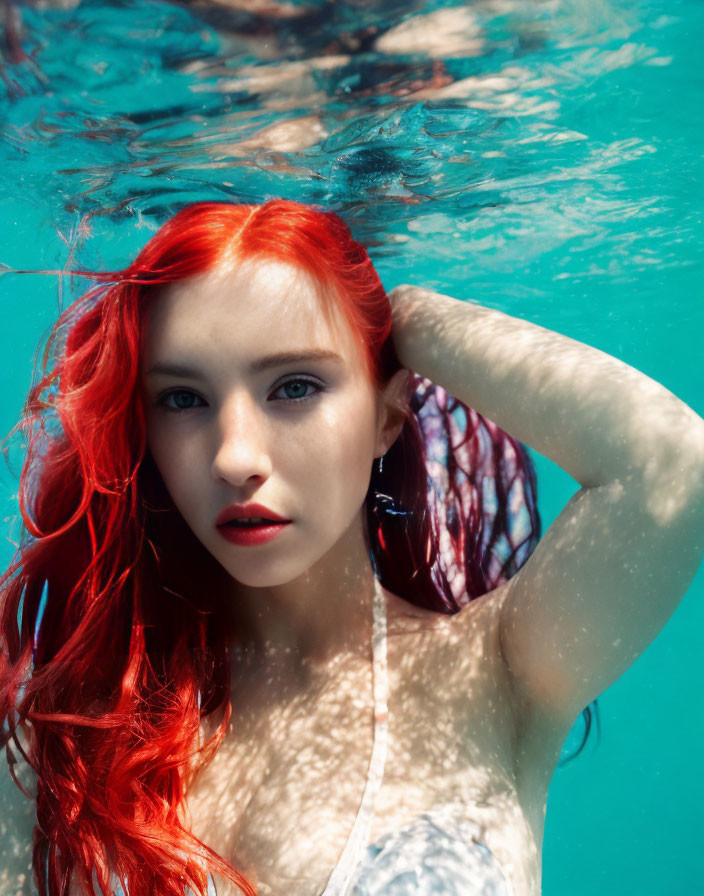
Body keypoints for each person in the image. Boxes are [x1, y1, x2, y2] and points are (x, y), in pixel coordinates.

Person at [1, 199, 703, 896]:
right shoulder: (65, 734)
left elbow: (672, 465)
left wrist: (404, 318)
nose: (236, 457)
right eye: (184, 400)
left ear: (388, 415)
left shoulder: (496, 669)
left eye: (295, 385)